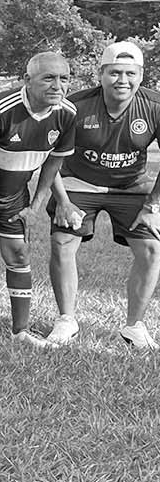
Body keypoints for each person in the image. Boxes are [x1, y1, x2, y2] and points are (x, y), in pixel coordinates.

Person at [47, 42, 160, 348]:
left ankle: (135, 326)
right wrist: (63, 201)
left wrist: (153, 205)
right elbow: (47, 155)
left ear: (140, 75)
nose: (122, 80)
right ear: (101, 74)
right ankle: (66, 320)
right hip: (79, 183)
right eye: (114, 73)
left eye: (130, 73)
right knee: (62, 240)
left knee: (152, 249)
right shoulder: (75, 105)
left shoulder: (154, 105)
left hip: (131, 186)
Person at [0, 52, 76, 349]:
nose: (58, 85)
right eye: (49, 78)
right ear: (28, 80)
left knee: (19, 255)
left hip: (14, 196)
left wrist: (36, 206)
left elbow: (53, 162)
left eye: (64, 78)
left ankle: (21, 331)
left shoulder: (67, 113)